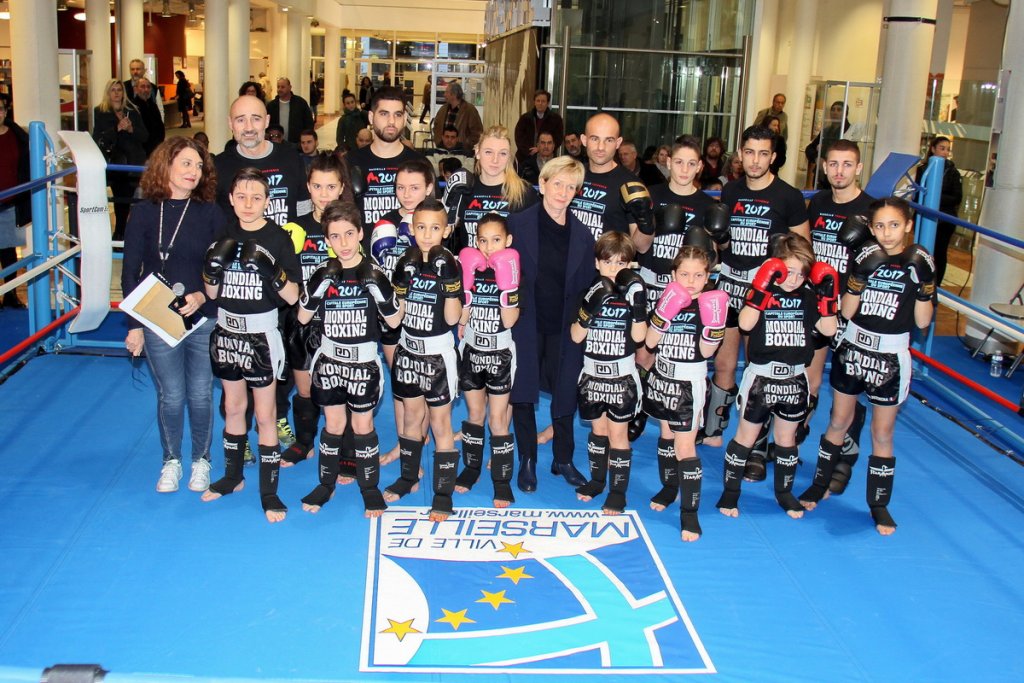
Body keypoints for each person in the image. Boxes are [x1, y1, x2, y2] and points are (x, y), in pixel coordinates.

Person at [800, 197, 936, 535]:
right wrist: (857, 278)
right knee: (838, 420)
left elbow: (922, 323)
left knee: (882, 432)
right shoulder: (863, 255)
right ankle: (819, 485)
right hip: (854, 347)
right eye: (879, 226)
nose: (886, 233)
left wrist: (926, 288)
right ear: (870, 228)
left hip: (890, 356)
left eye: (893, 225)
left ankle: (878, 504)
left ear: (907, 225)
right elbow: (845, 312)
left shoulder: (919, 261)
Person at [121, 137, 225, 493]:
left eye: (198, 166)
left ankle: (201, 460)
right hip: (156, 318)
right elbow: (129, 270)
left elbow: (222, 269)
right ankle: (171, 461)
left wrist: (201, 296)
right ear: (166, 165)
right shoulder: (146, 211)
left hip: (202, 315)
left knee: (199, 394)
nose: (193, 172)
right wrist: (134, 324)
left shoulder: (210, 212)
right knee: (171, 394)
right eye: (186, 164)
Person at [200, 168, 301, 523]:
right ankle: (232, 477)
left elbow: (293, 296)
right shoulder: (223, 233)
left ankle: (269, 493)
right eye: (241, 196)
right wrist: (211, 272)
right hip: (227, 330)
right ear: (230, 198)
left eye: (256, 197)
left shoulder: (277, 238)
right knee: (232, 408)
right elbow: (212, 294)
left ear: (268, 202)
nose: (248, 203)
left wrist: (272, 270)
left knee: (265, 414)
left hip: (261, 335)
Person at [702, 125, 810, 452]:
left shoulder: (788, 196)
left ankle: (759, 443)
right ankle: (715, 427)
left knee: (759, 367)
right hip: (730, 282)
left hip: (765, 292)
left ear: (773, 157)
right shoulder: (731, 191)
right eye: (749, 152)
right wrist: (718, 241)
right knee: (723, 362)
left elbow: (804, 250)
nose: (755, 160)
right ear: (740, 154)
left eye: (763, 153)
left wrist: (783, 276)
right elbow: (723, 242)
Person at [716, 235, 837, 519]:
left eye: (801, 273)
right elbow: (744, 324)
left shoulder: (809, 297)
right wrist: (761, 288)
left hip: (795, 379)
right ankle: (730, 494)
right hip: (761, 378)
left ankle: (784, 493)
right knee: (746, 436)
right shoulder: (761, 293)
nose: (794, 279)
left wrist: (828, 296)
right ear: (774, 267)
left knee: (786, 437)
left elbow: (829, 330)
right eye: (788, 271)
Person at [297, 200, 402, 516]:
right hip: (330, 359)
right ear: (327, 239)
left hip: (364, 362)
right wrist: (316, 288)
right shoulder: (322, 272)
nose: (342, 243)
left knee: (362, 424)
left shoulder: (374, 271)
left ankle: (369, 489)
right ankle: (325, 485)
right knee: (333, 424)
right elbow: (302, 318)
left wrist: (380, 287)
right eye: (335, 236)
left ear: (360, 233)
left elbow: (395, 322)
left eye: (348, 234)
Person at [507, 156, 595, 492]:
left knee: (565, 392)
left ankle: (563, 459)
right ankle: (527, 459)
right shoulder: (516, 224)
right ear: (542, 184)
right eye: (557, 183)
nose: (563, 191)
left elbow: (587, 287)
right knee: (524, 390)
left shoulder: (584, 237)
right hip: (525, 322)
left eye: (570, 186)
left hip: (565, 326)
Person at [797, 139, 875, 490]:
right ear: (824, 167)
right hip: (818, 304)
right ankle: (793, 438)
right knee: (808, 379)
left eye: (847, 164)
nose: (839, 171)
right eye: (833, 164)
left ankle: (844, 454)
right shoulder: (817, 203)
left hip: (857, 310)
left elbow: (890, 261)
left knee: (847, 387)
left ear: (859, 168)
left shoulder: (873, 210)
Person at [385, 198, 463, 522]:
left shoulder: (451, 263)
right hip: (407, 349)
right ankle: (408, 476)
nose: (427, 235)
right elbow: (393, 321)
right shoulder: (406, 262)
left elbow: (454, 318)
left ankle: (443, 495)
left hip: (438, 354)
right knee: (409, 420)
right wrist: (397, 288)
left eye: (434, 228)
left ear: (446, 230)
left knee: (441, 423)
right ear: (411, 229)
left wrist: (451, 285)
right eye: (421, 227)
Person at [642, 247, 727, 540]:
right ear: (673, 275)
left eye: (698, 275)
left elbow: (706, 352)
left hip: (689, 381)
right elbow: (650, 342)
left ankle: (689, 514)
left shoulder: (711, 305)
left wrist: (714, 326)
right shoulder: (667, 299)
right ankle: (669, 487)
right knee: (665, 436)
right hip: (662, 376)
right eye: (685, 274)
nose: (691, 280)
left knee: (685, 447)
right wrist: (664, 313)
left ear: (708, 277)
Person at [277, 153, 352, 471]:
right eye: (317, 186)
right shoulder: (294, 229)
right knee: (305, 387)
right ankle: (305, 441)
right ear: (308, 187)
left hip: (340, 320)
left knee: (343, 387)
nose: (324, 193)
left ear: (341, 187)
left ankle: (347, 447)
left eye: (330, 186)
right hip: (302, 323)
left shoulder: (349, 229)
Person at [570, 232, 648, 515]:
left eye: (621, 263)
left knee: (618, 435)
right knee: (598, 431)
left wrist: (638, 303)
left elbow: (641, 338)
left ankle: (617, 492)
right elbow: (576, 336)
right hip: (592, 375)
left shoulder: (633, 293)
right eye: (608, 262)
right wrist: (588, 310)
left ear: (631, 265)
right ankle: (597, 480)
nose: (614, 269)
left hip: (621, 377)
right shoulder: (589, 290)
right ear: (597, 262)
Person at [369, 159, 436, 466]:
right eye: (400, 188)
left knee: (426, 384)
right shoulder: (384, 224)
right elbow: (375, 273)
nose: (407, 194)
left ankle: (419, 443)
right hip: (394, 316)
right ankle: (405, 445)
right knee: (402, 382)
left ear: (429, 188)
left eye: (414, 188)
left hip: (429, 318)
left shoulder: (438, 223)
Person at [454, 214, 521, 507]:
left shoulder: (511, 272)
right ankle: (470, 468)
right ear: (476, 241)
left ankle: (502, 481)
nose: (490, 247)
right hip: (471, 350)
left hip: (500, 353)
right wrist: (465, 291)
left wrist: (507, 287)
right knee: (474, 415)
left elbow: (510, 319)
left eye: (496, 240)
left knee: (498, 419)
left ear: (507, 241)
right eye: (483, 240)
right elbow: (459, 319)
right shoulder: (471, 268)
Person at [347, 87, 426, 243]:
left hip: (409, 256)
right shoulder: (350, 162)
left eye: (397, 115)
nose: (391, 121)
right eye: (384, 114)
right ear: (371, 117)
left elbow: (433, 214)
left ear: (404, 118)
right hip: (362, 256)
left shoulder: (420, 164)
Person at [441, 125, 539, 252]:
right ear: (477, 152)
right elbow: (444, 231)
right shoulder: (464, 188)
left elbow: (537, 239)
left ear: (509, 157)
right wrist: (446, 206)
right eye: (488, 152)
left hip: (508, 269)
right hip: (470, 269)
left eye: (502, 153)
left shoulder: (524, 192)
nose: (495, 160)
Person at [571, 112, 655, 250]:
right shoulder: (572, 175)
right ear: (584, 140)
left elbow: (641, 247)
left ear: (618, 143)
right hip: (570, 266)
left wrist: (645, 221)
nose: (600, 147)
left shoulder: (630, 184)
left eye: (609, 140)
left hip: (608, 269)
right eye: (594, 139)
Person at [93, 79, 148, 243]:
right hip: (117, 164)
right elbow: (98, 138)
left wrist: (131, 129)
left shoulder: (132, 110)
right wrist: (117, 129)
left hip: (134, 162)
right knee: (121, 201)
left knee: (135, 200)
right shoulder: (101, 112)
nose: (117, 93)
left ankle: (128, 234)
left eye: (119, 90)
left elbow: (144, 136)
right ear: (108, 93)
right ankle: (120, 234)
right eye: (113, 90)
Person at [915, 136, 962, 287]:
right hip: (924, 218)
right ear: (933, 149)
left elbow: (956, 197)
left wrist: (934, 196)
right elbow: (917, 195)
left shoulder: (954, 173)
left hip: (945, 220)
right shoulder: (923, 170)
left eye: (948, 149)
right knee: (922, 251)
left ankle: (936, 286)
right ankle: (919, 281)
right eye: (942, 148)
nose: (945, 152)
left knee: (940, 253)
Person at [0, 95, 30, 309]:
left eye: (1, 109)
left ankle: (10, 295)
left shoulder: (17, 136)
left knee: (9, 252)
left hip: (10, 201)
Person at [806, 101, 851, 189]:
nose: (835, 112)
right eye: (833, 110)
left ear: (845, 113)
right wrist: (817, 158)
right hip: (822, 176)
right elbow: (810, 148)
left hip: (838, 175)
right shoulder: (826, 130)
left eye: (839, 110)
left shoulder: (849, 131)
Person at [513, 90, 564, 165]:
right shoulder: (525, 118)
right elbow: (519, 137)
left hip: (547, 158)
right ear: (534, 102)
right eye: (538, 101)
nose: (540, 103)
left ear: (547, 103)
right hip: (524, 157)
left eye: (543, 101)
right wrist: (529, 150)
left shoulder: (556, 119)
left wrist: (540, 149)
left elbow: (558, 138)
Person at [432, 82, 483, 150]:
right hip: (442, 148)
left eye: (447, 92)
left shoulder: (469, 110)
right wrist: (438, 140)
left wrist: (466, 144)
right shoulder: (443, 109)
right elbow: (436, 126)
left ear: (454, 95)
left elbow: (477, 132)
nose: (444, 95)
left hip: (461, 151)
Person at [267, 78, 315, 144]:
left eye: (282, 87)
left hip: (296, 144)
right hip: (276, 144)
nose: (280, 89)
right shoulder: (271, 106)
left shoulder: (300, 103)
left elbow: (309, 123)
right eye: (278, 87)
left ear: (290, 87)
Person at [131, 78, 165, 157]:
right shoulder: (133, 107)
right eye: (142, 87)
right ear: (136, 89)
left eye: (148, 87)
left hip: (156, 146)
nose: (146, 89)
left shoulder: (153, 105)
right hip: (141, 148)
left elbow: (159, 125)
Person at [124, 58, 164, 123]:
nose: (135, 72)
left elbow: (160, 110)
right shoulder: (123, 87)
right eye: (132, 69)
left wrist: (160, 126)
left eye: (138, 69)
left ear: (144, 70)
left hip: (149, 126)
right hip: (130, 127)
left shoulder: (153, 88)